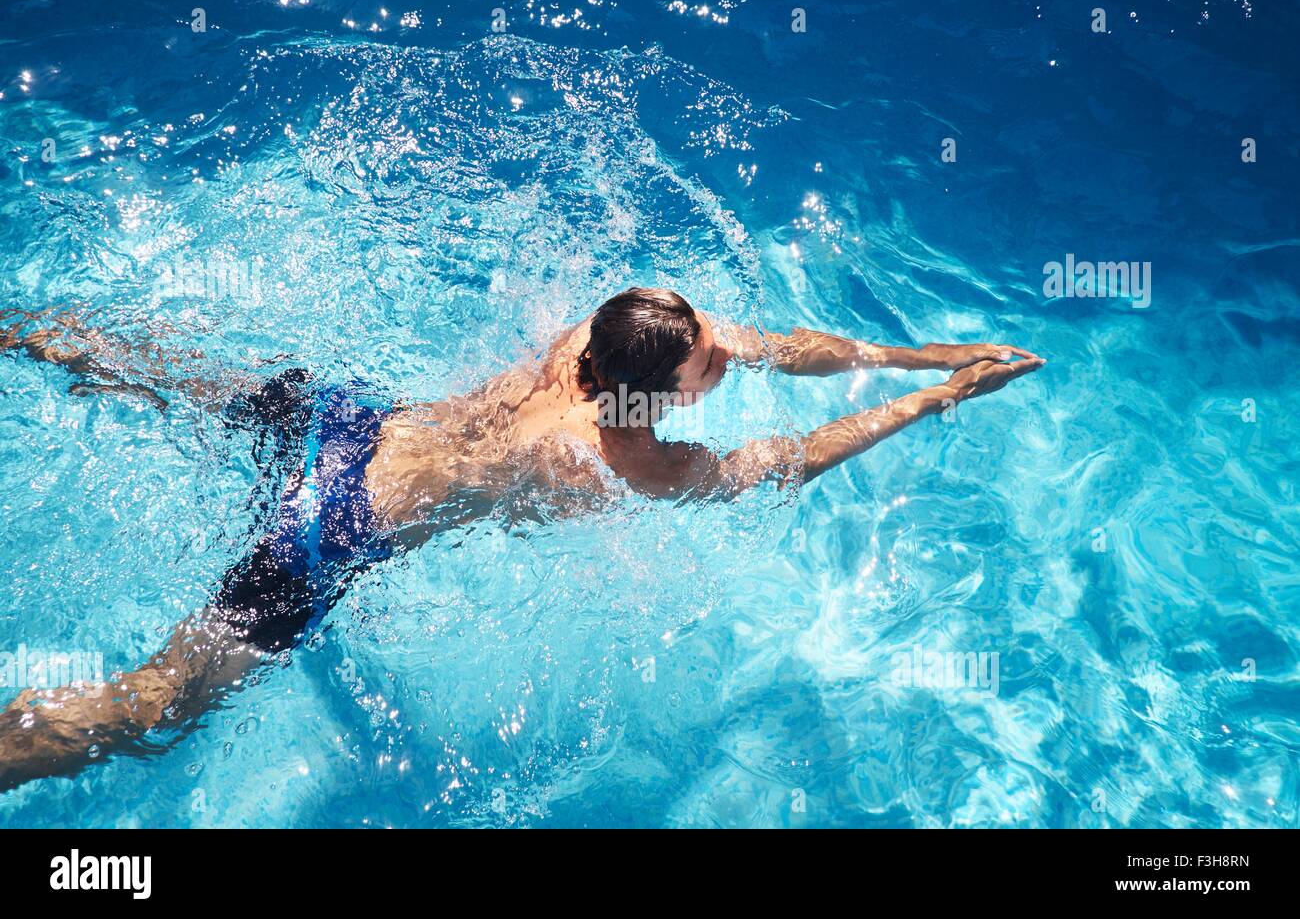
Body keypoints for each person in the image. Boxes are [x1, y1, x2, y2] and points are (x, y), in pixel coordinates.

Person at [0, 288, 1043, 790]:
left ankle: (32, 335)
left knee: (164, 375)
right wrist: (935, 400)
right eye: (705, 371)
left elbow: (769, 347)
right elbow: (795, 458)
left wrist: (920, 351)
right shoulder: (628, 459)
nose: (724, 360)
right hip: (338, 526)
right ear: (644, 393)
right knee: (157, 703)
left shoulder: (603, 337)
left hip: (353, 421)